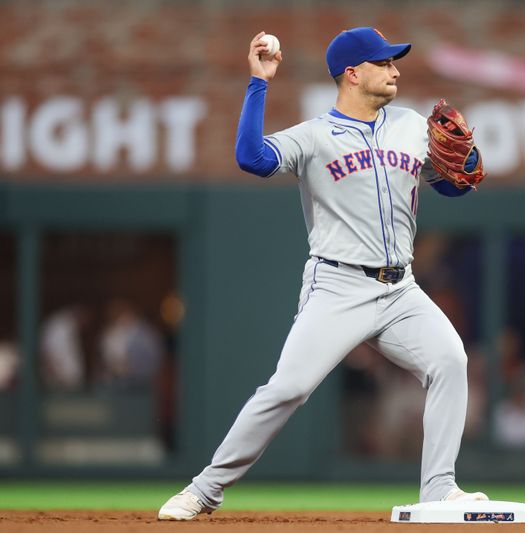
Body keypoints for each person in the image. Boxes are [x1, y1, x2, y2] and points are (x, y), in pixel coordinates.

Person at [158, 27, 487, 520]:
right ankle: (204, 490)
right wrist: (259, 82)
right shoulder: (313, 136)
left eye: (395, 62)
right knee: (288, 388)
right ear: (353, 73)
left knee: (450, 360)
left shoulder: (413, 127)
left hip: (401, 288)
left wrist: (470, 163)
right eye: (385, 63)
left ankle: (439, 489)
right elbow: (250, 158)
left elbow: (454, 187)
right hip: (338, 285)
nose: (395, 70)